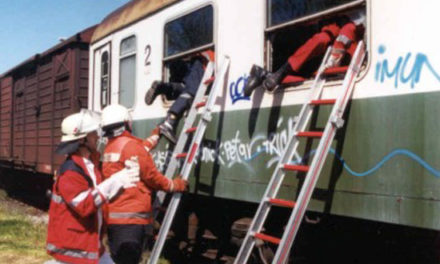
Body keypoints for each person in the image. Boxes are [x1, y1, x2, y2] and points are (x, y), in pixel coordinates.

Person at [46, 109, 140, 264]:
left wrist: (123, 178)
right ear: (82, 139)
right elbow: (85, 204)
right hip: (76, 249)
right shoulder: (71, 171)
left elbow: (100, 194)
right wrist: (116, 181)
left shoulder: (89, 164)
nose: (97, 136)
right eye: (93, 133)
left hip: (89, 244)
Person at [100, 104, 189, 264]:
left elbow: (138, 150)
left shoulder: (111, 147)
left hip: (115, 220)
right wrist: (174, 185)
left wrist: (154, 137)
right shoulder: (131, 147)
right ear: (126, 123)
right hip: (131, 221)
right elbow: (152, 177)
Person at [244, 13, 365, 97]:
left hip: (345, 72)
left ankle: (264, 74)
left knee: (300, 81)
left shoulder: (354, 25)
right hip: (327, 74)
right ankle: (279, 74)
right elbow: (322, 39)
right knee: (321, 39)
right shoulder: (334, 27)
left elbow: (348, 31)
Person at [144, 50, 215, 144]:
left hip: (195, 63)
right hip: (203, 63)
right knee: (190, 92)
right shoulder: (211, 53)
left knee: (185, 88)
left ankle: (162, 87)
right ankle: (170, 122)